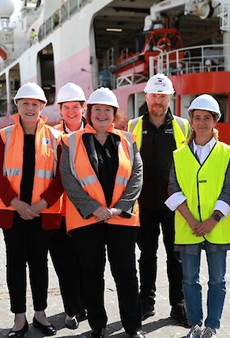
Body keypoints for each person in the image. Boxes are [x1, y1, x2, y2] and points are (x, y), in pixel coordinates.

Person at [60, 88, 144, 338]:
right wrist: (93, 208)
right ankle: (97, 326)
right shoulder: (70, 140)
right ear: (89, 113)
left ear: (115, 114)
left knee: (126, 273)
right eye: (97, 109)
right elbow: (68, 178)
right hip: (88, 219)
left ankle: (133, 326)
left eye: (107, 110)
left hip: (122, 218)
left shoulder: (128, 140)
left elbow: (137, 177)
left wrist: (119, 208)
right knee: (92, 273)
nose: (102, 114)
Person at [0, 82, 63, 337]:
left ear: (43, 107)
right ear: (17, 106)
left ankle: (40, 314)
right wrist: (16, 203)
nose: (30, 108)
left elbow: (61, 176)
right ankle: (19, 318)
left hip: (43, 213)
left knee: (40, 264)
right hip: (14, 213)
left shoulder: (55, 137)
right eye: (25, 104)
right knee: (16, 264)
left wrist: (42, 204)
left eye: (35, 104)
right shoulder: (4, 135)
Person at [165, 95, 230, 338]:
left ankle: (212, 326)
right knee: (189, 280)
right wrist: (193, 221)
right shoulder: (179, 154)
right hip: (189, 227)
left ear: (215, 121)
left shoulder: (227, 153)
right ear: (191, 121)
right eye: (198, 118)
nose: (202, 122)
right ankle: (195, 325)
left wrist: (212, 220)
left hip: (216, 226)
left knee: (217, 279)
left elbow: (229, 189)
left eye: (208, 118)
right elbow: (173, 189)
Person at [127, 73, 190, 325]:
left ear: (170, 98)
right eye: (154, 95)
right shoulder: (132, 126)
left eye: (163, 96)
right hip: (144, 204)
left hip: (175, 204)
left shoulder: (183, 126)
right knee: (147, 255)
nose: (158, 101)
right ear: (146, 96)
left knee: (176, 255)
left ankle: (179, 303)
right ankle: (146, 302)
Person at [49, 82, 87, 330]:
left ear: (84, 108)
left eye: (76, 106)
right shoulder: (51, 136)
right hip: (59, 212)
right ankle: (71, 310)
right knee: (64, 264)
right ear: (60, 110)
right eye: (66, 107)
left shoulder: (97, 132)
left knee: (87, 263)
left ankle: (84, 305)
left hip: (87, 212)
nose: (71, 111)